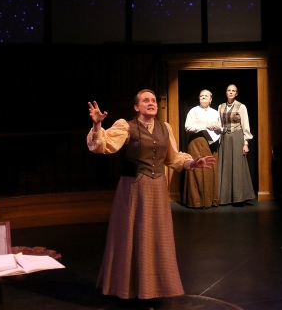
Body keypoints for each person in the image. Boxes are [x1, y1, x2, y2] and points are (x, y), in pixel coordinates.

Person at [87, 89, 215, 302]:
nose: (151, 103)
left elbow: (173, 158)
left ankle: (154, 286)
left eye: (153, 100)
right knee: (132, 235)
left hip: (157, 188)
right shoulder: (127, 126)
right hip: (134, 187)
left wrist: (193, 162)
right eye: (146, 100)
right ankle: (128, 286)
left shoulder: (165, 128)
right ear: (137, 107)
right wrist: (97, 125)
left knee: (157, 236)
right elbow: (102, 145)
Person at [217, 84, 256, 206]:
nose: (231, 92)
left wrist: (246, 143)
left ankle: (238, 197)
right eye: (229, 90)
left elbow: (245, 124)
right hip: (225, 138)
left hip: (237, 137)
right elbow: (219, 123)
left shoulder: (241, 107)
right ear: (226, 92)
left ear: (236, 93)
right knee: (226, 165)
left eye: (233, 91)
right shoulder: (221, 107)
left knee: (238, 167)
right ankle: (224, 197)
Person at [183, 89, 222, 209]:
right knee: (197, 170)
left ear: (211, 99)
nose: (203, 97)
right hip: (197, 143)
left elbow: (221, 129)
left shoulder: (215, 112)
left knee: (210, 170)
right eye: (201, 96)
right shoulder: (193, 111)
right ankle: (196, 201)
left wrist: (217, 128)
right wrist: (204, 126)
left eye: (206, 96)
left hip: (212, 144)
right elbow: (187, 127)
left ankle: (211, 200)